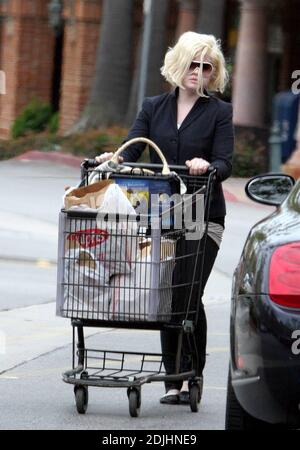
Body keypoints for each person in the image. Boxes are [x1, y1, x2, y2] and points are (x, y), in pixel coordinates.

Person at [96, 31, 234, 405]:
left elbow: (226, 162)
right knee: (167, 291)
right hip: (165, 214)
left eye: (207, 67)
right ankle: (173, 379)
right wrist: (115, 158)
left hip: (204, 216)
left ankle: (194, 376)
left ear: (213, 73)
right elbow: (135, 146)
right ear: (179, 64)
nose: (199, 72)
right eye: (193, 64)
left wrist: (208, 165)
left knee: (190, 293)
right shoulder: (154, 106)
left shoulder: (219, 112)